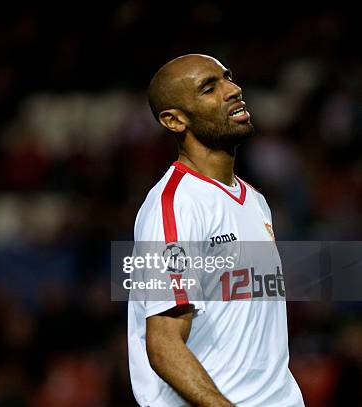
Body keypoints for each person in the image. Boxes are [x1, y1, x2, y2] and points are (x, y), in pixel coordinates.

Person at [127, 54, 304, 406]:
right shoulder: (175, 206)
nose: (234, 90)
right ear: (174, 120)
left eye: (228, 78)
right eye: (210, 88)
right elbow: (163, 345)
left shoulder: (253, 199)